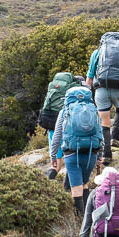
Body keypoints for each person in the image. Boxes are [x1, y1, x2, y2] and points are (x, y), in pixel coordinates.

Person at [48, 86, 103, 218]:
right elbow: (100, 132)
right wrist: (100, 155)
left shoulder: (65, 111)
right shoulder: (93, 109)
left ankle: (80, 221)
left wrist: (53, 155)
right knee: (84, 183)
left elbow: (57, 136)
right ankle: (88, 218)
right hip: (91, 152)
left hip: (72, 153)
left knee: (75, 187)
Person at [85, 32, 119, 165]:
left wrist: (86, 96)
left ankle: (107, 155)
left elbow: (90, 76)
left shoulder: (97, 53)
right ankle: (115, 137)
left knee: (104, 122)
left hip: (101, 90)